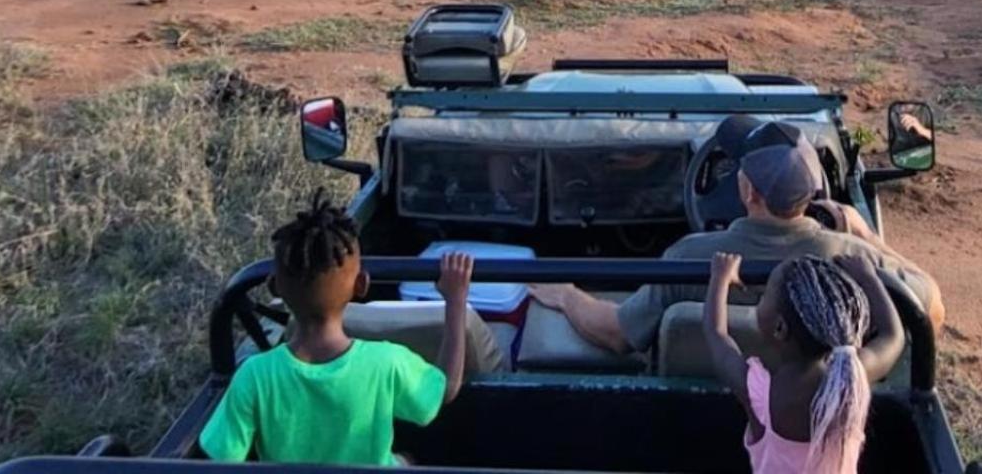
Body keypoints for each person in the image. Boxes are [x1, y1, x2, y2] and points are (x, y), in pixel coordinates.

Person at [528, 118, 943, 355]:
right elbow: (931, 309)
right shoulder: (854, 259)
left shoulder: (692, 258)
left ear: (746, 191)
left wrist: (566, 294)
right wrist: (864, 233)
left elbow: (618, 333)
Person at [198, 193, 475, 465]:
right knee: (406, 461)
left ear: (274, 286)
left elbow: (222, 459)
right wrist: (456, 301)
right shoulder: (386, 363)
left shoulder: (253, 375)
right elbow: (445, 391)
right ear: (361, 285)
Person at [704, 251, 902, 474]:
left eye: (764, 296)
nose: (761, 300)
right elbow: (893, 336)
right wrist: (868, 277)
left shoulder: (759, 391)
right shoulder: (853, 373)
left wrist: (720, 277)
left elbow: (717, 335)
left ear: (780, 328)